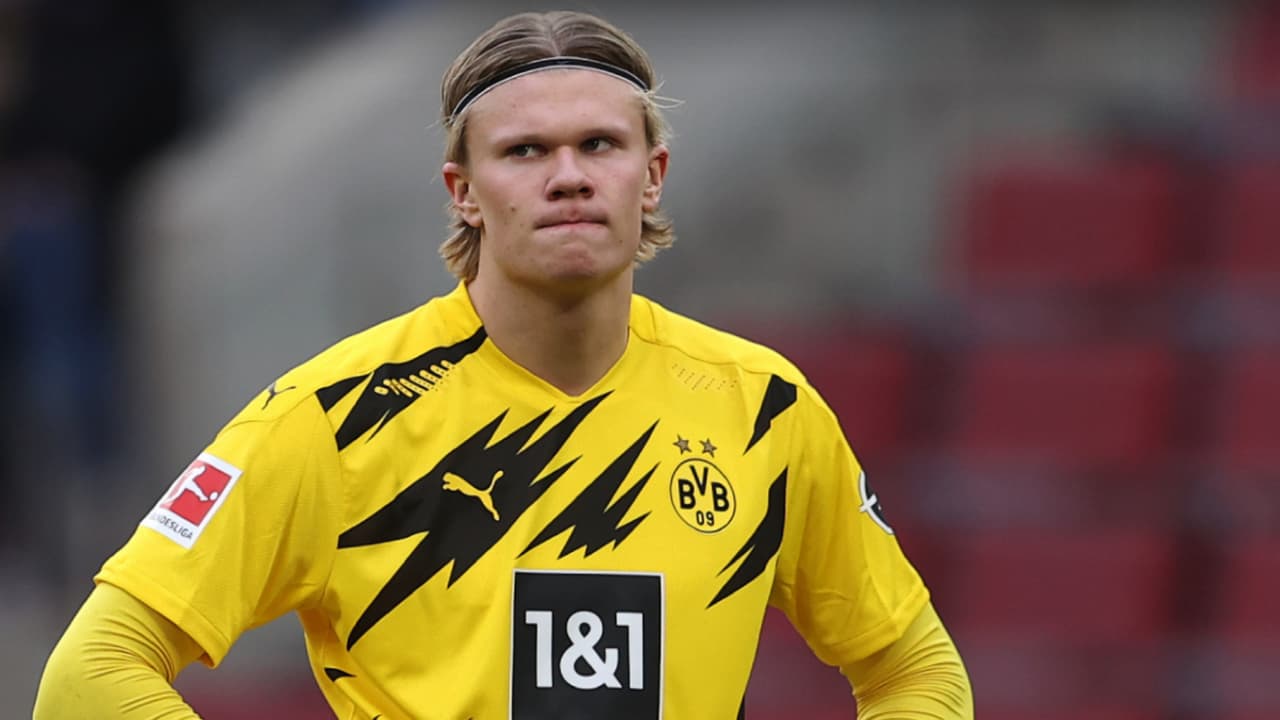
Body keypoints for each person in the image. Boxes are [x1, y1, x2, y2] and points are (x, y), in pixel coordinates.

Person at [34, 10, 972, 719]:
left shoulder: (763, 409)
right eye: (525, 151)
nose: (568, 175)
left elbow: (916, 671)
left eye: (600, 144)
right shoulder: (335, 415)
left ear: (651, 176)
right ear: (465, 192)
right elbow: (92, 673)